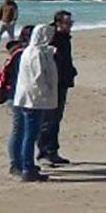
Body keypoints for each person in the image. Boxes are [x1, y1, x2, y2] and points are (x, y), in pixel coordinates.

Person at [8, 22, 61, 181]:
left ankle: (25, 165)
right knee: (30, 134)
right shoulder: (36, 53)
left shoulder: (30, 52)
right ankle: (27, 167)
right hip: (33, 100)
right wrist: (49, 89)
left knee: (27, 133)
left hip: (26, 98)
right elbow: (39, 77)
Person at [37, 10, 76, 166]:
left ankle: (52, 151)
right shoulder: (51, 38)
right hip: (52, 83)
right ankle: (43, 153)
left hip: (63, 82)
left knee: (56, 119)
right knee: (48, 119)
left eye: (71, 23)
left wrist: (71, 72)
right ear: (58, 23)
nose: (70, 26)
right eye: (67, 23)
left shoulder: (65, 38)